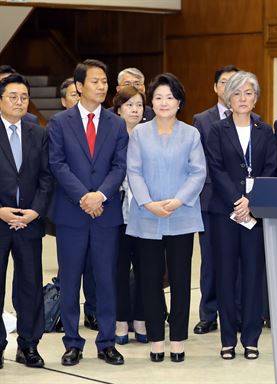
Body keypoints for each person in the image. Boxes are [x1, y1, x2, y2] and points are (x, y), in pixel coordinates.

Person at [48, 59, 128, 366]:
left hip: (106, 214)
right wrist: (84, 196)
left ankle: (106, 341)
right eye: (95, 81)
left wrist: (100, 195)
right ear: (79, 86)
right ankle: (73, 343)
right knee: (70, 280)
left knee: (106, 279)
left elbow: (119, 166)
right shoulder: (59, 122)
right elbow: (57, 165)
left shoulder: (116, 123)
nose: (102, 86)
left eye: (105, 81)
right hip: (72, 214)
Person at [126, 73, 205, 363]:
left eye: (169, 97)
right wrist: (147, 202)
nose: (163, 102)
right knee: (149, 280)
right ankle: (156, 340)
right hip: (146, 217)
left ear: (179, 102)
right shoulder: (140, 134)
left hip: (181, 214)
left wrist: (177, 200)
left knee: (182, 280)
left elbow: (198, 171)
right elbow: (133, 171)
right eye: (158, 97)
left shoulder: (191, 134)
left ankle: (178, 341)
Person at [205, 71, 277, 360]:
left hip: (254, 213)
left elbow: (271, 167)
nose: (243, 98)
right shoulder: (216, 130)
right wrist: (237, 200)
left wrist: (251, 201)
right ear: (227, 98)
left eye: (249, 93)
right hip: (224, 212)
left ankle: (250, 338)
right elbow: (215, 167)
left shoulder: (265, 129)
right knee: (225, 275)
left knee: (252, 274)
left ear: (256, 97)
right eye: (237, 93)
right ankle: (227, 339)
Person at [0, 74, 53, 369]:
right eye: (13, 96)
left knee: (30, 285)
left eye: (23, 97)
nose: (19, 102)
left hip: (30, 221)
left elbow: (47, 177)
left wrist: (35, 211)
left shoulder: (38, 132)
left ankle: (29, 345)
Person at [192, 64, 239, 335]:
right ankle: (208, 313)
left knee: (240, 261)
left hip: (241, 202)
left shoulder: (252, 118)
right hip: (211, 200)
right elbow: (200, 161)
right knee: (210, 260)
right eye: (224, 82)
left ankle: (238, 312)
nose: (229, 87)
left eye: (235, 82)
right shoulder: (202, 119)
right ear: (215, 88)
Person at [111, 86, 148, 345]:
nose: (134, 109)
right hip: (118, 213)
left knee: (147, 269)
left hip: (147, 212)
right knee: (120, 269)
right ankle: (121, 320)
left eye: (138, 105)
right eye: (129, 105)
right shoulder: (111, 134)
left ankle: (142, 319)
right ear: (119, 109)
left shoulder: (151, 134)